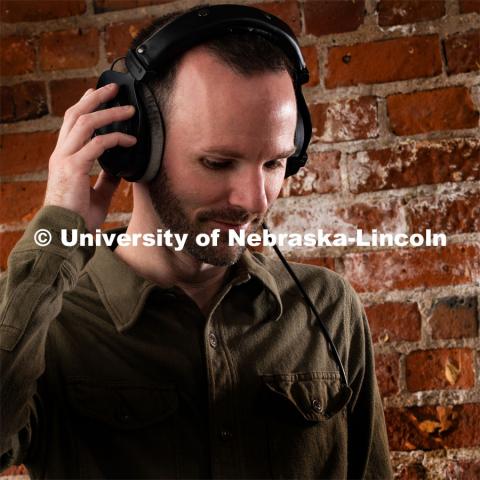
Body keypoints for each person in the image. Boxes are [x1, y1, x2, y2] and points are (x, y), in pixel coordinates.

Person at [0, 5, 393, 479]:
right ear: (135, 148)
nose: (255, 200)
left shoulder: (329, 309)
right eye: (218, 162)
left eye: (275, 164)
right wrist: (57, 231)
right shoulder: (44, 318)